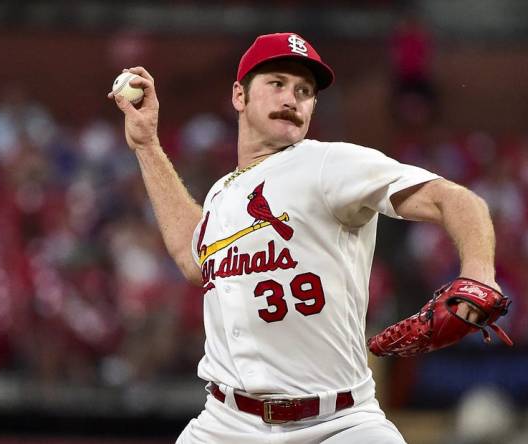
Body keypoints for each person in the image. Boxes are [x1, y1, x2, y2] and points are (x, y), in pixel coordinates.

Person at [109, 32, 500, 444]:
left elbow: (453, 199)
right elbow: (194, 259)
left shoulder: (328, 164)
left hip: (339, 423)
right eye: (276, 83)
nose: (291, 99)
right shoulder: (223, 192)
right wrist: (146, 144)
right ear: (239, 96)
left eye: (304, 91)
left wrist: (478, 273)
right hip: (226, 423)